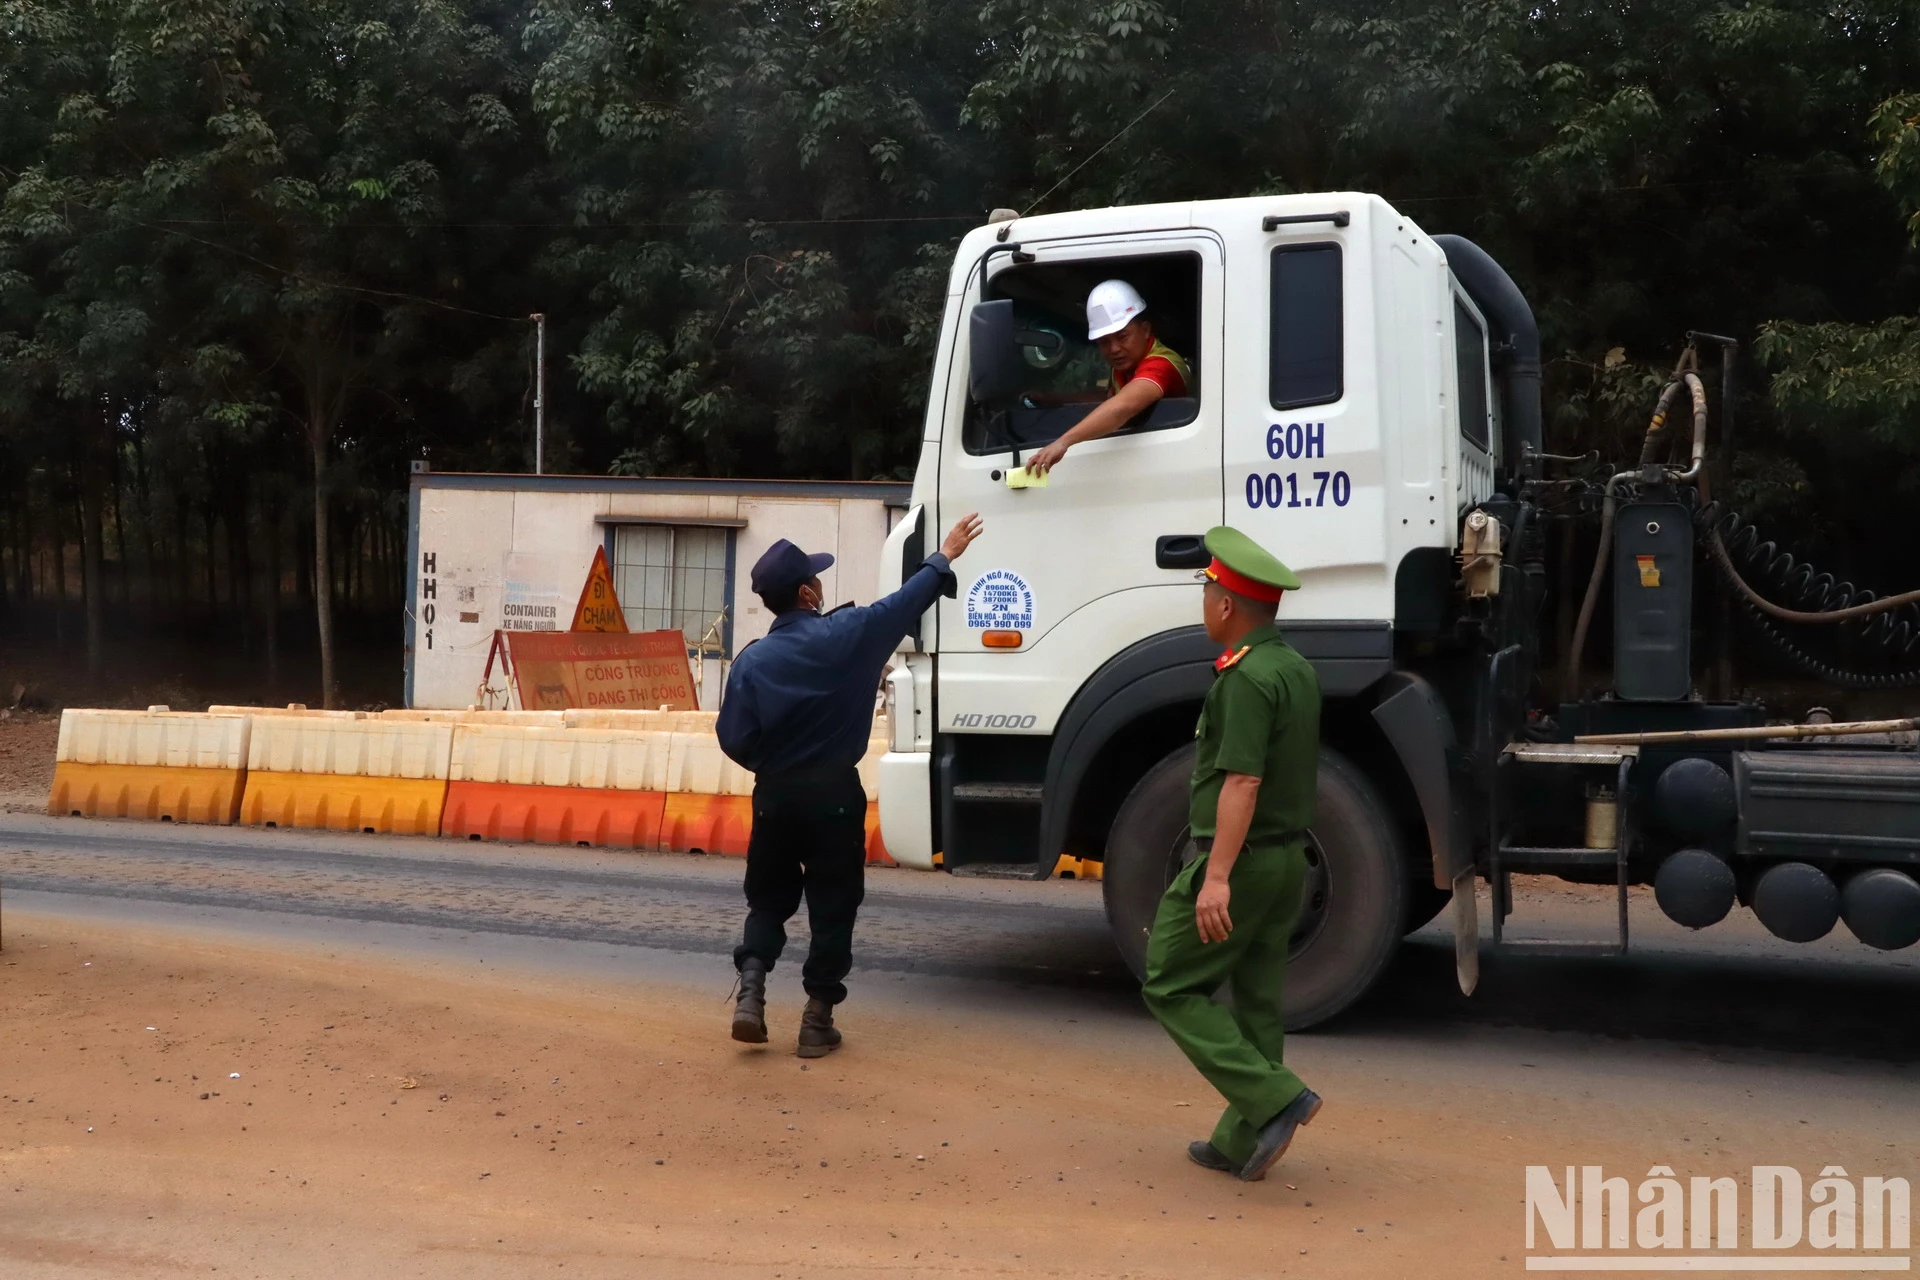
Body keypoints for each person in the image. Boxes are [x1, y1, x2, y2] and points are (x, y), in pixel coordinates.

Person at [716, 512, 983, 1057]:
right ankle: (816, 1022)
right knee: (834, 905)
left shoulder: (751, 662)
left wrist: (774, 764)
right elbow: (904, 604)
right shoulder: (851, 633)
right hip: (836, 795)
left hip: (776, 794)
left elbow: (732, 737)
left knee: (768, 899)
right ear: (809, 591)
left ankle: (752, 989)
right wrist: (946, 554)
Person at [1140, 525, 1323, 1182]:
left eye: (1208, 589)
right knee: (1257, 1000)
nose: (1206, 601)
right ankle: (1242, 1140)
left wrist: (1215, 876)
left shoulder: (1245, 679)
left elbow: (1243, 780)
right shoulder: (1294, 669)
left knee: (1168, 980)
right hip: (1287, 860)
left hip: (1241, 864)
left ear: (1226, 605)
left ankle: (1276, 1099)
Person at [1024, 279, 1190, 474]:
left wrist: (1063, 442)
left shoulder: (1162, 364)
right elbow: (1110, 399)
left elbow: (1123, 406)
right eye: (1104, 342)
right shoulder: (1125, 366)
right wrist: (1055, 399)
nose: (1114, 349)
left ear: (1145, 330)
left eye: (1122, 337)